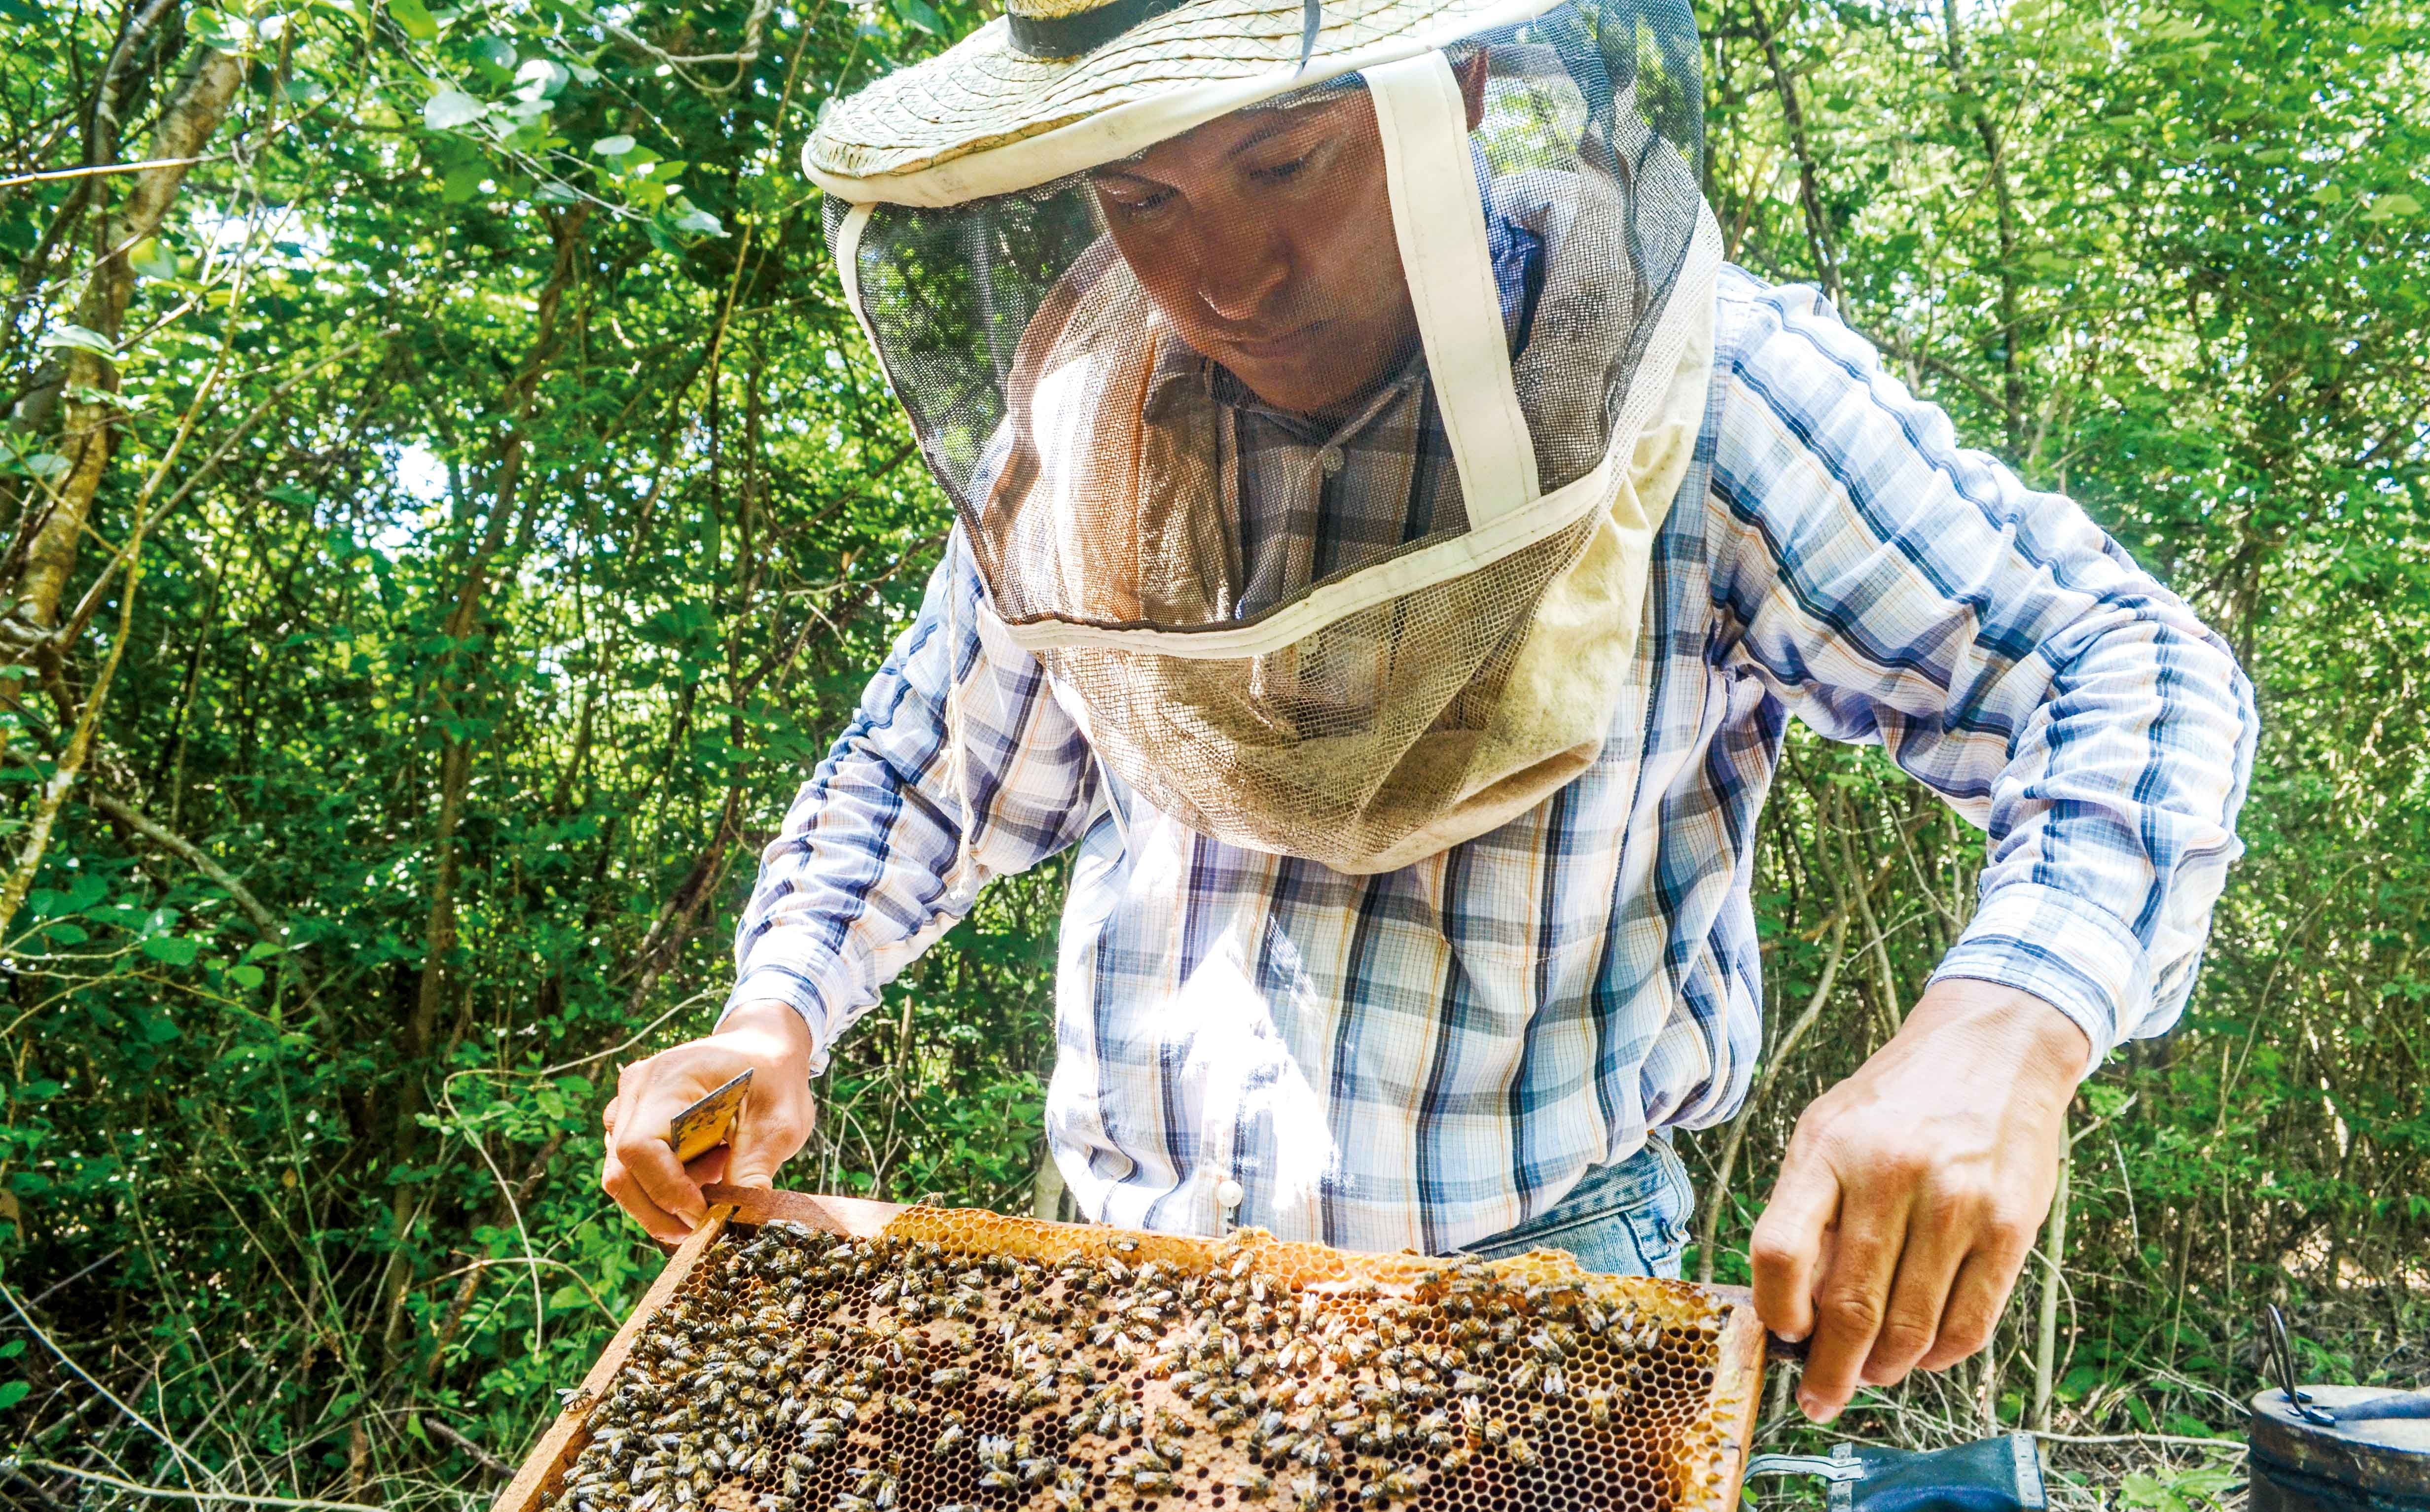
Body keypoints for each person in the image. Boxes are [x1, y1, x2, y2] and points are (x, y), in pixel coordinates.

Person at [600, 0, 2255, 1426]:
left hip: (1538, 1299)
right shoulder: (1092, 433)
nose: (1222, 271)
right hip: (1135, 1290)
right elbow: (925, 773)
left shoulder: (1700, 389)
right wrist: (776, 1012)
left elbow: (2114, 663)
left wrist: (2008, 1025)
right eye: (1142, 192)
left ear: (1447, 90)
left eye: (1284, 160)